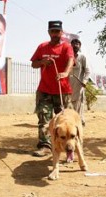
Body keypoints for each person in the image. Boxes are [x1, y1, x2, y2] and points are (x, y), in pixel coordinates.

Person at [30, 20, 75, 157]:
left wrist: (66, 72)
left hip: (63, 91)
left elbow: (71, 60)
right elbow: (34, 64)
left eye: (58, 31)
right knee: (44, 119)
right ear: (49, 32)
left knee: (67, 120)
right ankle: (45, 146)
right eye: (52, 31)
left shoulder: (67, 47)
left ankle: (71, 144)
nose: (55, 34)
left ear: (61, 32)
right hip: (44, 90)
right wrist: (42, 62)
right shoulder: (42, 47)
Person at [69, 38, 90, 126]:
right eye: (73, 44)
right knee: (69, 104)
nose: (75, 45)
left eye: (77, 44)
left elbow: (88, 71)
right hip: (68, 85)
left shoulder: (82, 57)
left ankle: (79, 121)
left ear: (79, 46)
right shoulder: (68, 57)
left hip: (79, 85)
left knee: (78, 103)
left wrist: (84, 81)